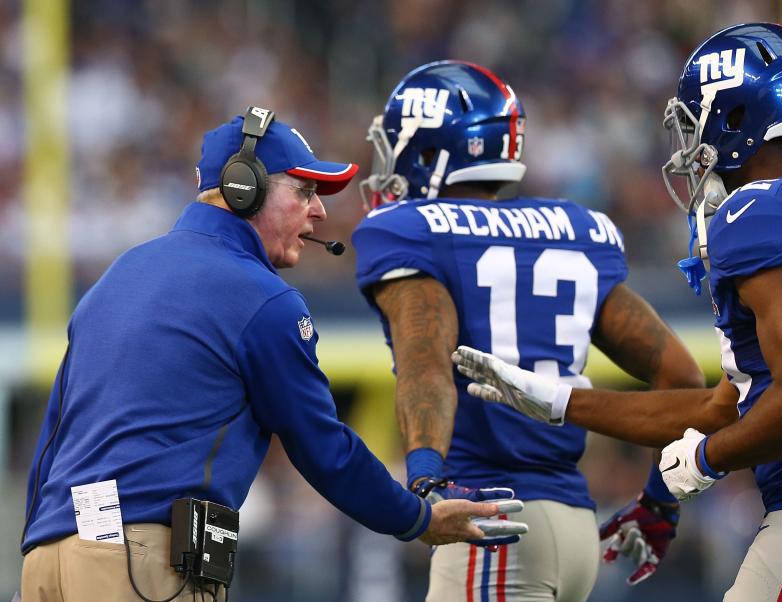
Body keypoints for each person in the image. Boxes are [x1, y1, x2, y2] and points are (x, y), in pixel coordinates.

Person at [453, 23, 782, 601]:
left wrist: (706, 463)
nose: (688, 149)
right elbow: (727, 406)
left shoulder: (755, 212)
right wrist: (563, 402)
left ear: (735, 116)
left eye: (693, 125)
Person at [19, 107, 519, 602]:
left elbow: (52, 439)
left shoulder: (119, 273)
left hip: (48, 557)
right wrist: (419, 519)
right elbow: (324, 450)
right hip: (137, 562)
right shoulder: (262, 297)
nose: (319, 210)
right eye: (303, 191)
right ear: (244, 188)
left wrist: (39, 557)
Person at [351, 61, 705, 601]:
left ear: (429, 152)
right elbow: (683, 378)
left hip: (491, 522)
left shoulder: (413, 230)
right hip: (573, 522)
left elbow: (427, 365)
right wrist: (660, 496)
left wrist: (424, 483)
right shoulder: (577, 228)